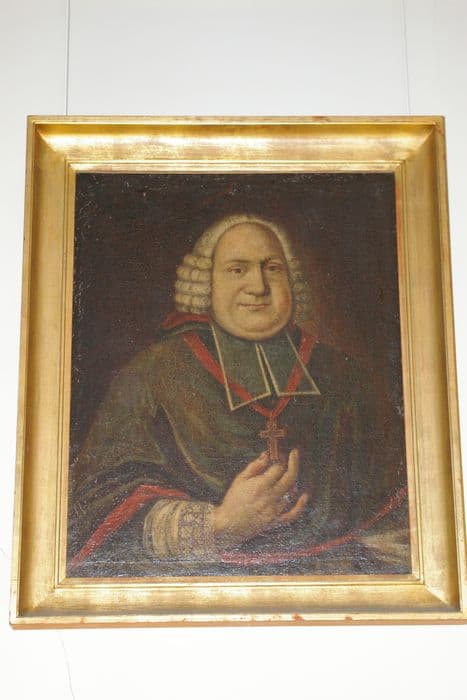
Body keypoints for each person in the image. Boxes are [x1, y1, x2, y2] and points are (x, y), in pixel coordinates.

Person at [68, 214, 409, 577]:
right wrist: (218, 525)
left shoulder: (346, 377)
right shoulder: (150, 375)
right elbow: (97, 514)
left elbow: (399, 513)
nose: (258, 287)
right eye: (237, 270)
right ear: (206, 284)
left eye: (272, 268)